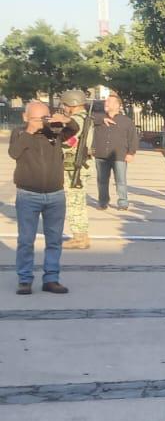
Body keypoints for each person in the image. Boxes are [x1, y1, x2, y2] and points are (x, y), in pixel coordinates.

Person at [10, 101, 75, 295]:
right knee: (26, 240)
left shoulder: (54, 133)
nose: (41, 122)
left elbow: (74, 129)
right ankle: (24, 279)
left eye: (45, 117)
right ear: (25, 117)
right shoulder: (19, 133)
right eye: (37, 118)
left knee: (54, 240)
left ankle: (51, 279)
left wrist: (65, 120)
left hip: (55, 195)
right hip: (28, 195)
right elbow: (13, 153)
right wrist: (30, 130)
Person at [57, 89, 92, 249]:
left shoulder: (77, 120)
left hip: (75, 166)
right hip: (80, 164)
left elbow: (70, 136)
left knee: (74, 202)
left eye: (65, 105)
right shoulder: (86, 118)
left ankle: (80, 237)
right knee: (77, 201)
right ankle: (81, 235)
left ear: (72, 104)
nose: (63, 107)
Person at [92, 92, 138, 210]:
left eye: (110, 101)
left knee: (120, 181)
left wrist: (131, 153)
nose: (106, 103)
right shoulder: (99, 118)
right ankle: (103, 202)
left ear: (118, 105)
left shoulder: (126, 121)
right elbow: (88, 118)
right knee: (102, 181)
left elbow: (133, 138)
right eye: (106, 101)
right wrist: (102, 119)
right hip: (101, 155)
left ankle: (123, 202)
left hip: (119, 156)